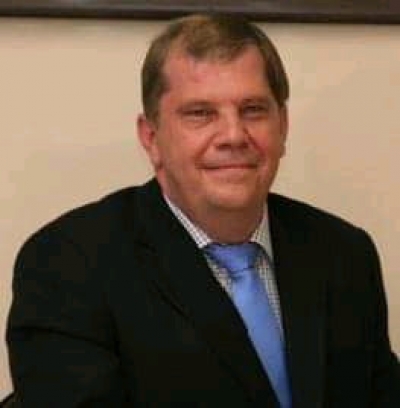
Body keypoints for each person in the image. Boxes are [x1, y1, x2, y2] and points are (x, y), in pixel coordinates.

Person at [6, 13, 400, 408]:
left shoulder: (343, 253)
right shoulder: (69, 266)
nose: (233, 136)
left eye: (253, 110)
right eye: (200, 113)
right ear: (151, 137)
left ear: (282, 126)